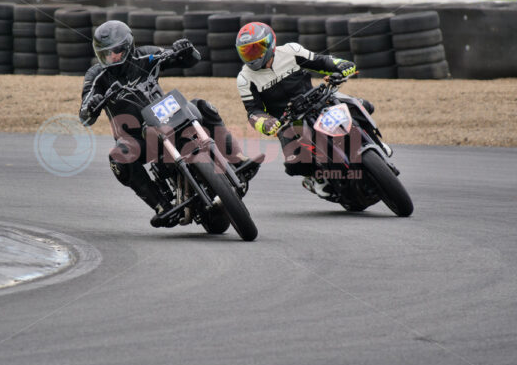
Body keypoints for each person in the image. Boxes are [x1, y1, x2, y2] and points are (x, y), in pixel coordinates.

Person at [79, 20, 260, 227]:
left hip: (167, 116)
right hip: (137, 137)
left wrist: (184, 49)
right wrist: (90, 105)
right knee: (118, 158)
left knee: (203, 106)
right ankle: (161, 205)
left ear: (128, 47)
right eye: (105, 54)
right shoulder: (97, 75)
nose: (111, 58)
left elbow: (190, 60)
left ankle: (236, 159)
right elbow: (85, 114)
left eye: (116, 52)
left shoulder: (145, 54)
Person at [235, 21, 376, 198]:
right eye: (246, 51)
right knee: (296, 164)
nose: (252, 56)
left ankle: (373, 141)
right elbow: (253, 111)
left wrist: (341, 65)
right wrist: (267, 123)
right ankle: (315, 179)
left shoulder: (290, 51)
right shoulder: (244, 78)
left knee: (362, 105)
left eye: (255, 49)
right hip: (287, 121)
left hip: (318, 100)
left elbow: (321, 61)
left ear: (270, 43)